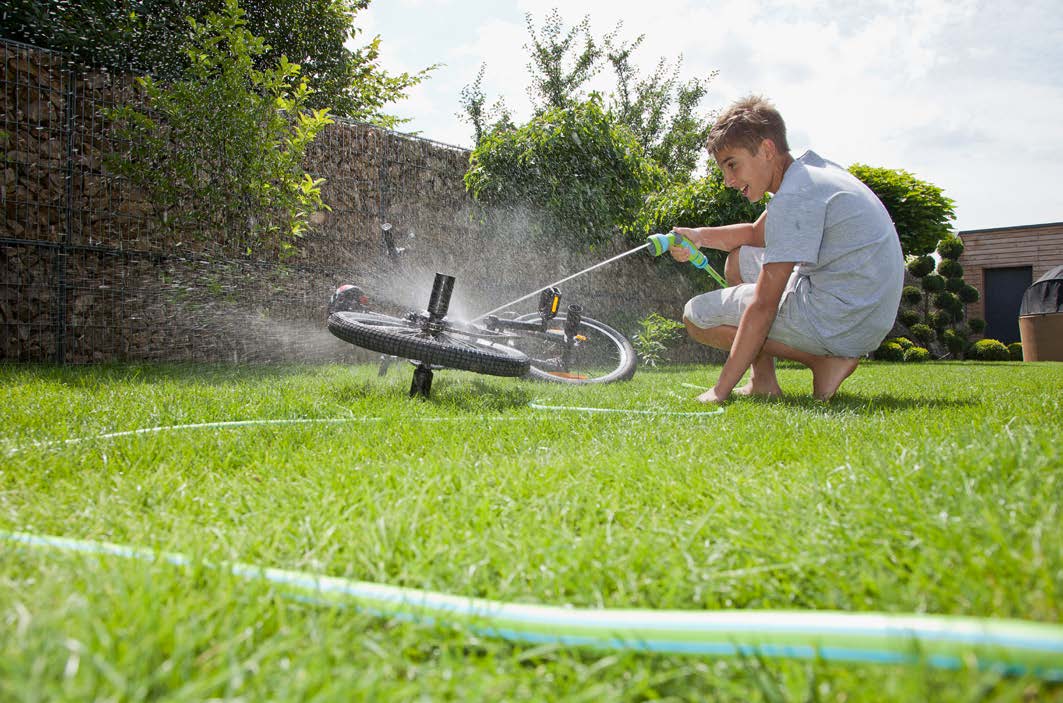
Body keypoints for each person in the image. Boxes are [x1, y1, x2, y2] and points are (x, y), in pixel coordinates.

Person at [670, 96, 903, 403]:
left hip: (842, 319)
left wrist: (720, 389)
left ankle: (823, 361)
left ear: (766, 150)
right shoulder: (810, 175)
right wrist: (698, 236)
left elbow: (764, 306)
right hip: (864, 314)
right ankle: (762, 382)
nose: (727, 180)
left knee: (696, 316)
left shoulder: (794, 197)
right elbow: (754, 234)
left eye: (732, 165)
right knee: (739, 260)